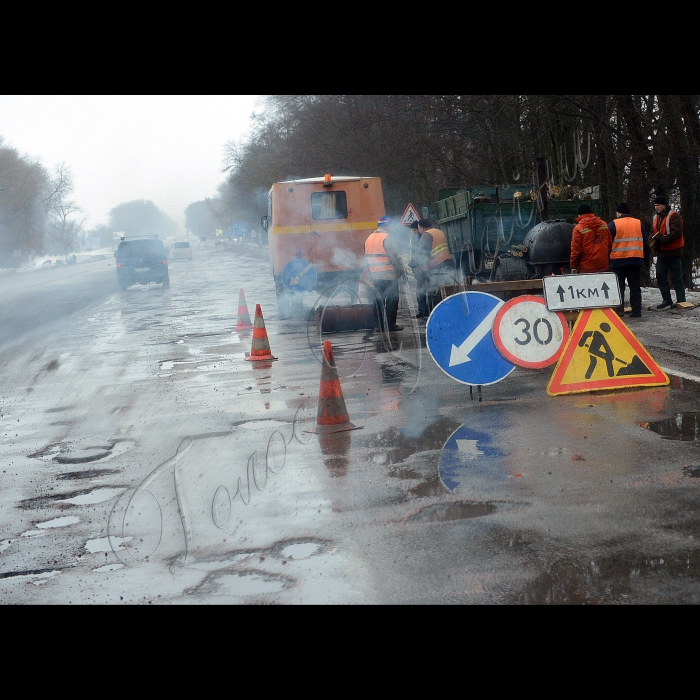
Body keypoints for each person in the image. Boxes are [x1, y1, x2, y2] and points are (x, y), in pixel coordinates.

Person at [364, 215, 408, 332]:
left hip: (376, 276)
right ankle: (390, 325)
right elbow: (395, 258)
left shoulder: (369, 238)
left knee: (378, 300)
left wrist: (371, 273)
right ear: (387, 226)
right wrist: (402, 273)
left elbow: (366, 258)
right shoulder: (387, 238)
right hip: (389, 276)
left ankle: (378, 325)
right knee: (392, 300)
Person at [608, 202, 650, 318]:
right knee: (635, 286)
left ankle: (619, 311)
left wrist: (608, 259)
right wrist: (646, 260)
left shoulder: (613, 224)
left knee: (619, 287)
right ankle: (636, 311)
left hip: (618, 261)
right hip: (635, 260)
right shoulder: (638, 223)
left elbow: (607, 243)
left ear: (619, 213)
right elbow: (646, 243)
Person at [412, 218, 457, 313]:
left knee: (435, 290)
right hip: (447, 262)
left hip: (438, 265)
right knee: (446, 288)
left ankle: (436, 312)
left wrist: (413, 263)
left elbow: (422, 251)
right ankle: (449, 310)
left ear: (421, 227)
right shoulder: (439, 231)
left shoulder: (426, 235)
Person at [651, 195, 686, 309]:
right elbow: (654, 231)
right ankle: (667, 299)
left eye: (658, 205)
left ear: (664, 205)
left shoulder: (674, 216)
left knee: (676, 276)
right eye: (655, 205)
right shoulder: (656, 217)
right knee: (660, 275)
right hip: (662, 252)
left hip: (673, 251)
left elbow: (677, 233)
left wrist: (661, 240)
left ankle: (681, 300)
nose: (657, 208)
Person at [570, 203, 612, 274]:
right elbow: (610, 244)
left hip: (586, 267)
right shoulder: (604, 225)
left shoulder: (578, 228)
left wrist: (573, 266)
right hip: (603, 264)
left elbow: (576, 250)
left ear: (580, 215)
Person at [407, 220, 427, 318]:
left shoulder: (422, 238)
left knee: (421, 289)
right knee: (420, 289)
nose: (413, 232)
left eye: (415, 230)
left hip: (422, 267)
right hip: (416, 267)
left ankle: (423, 310)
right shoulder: (412, 238)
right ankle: (422, 310)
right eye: (412, 230)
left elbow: (421, 253)